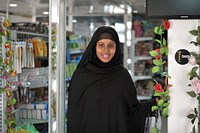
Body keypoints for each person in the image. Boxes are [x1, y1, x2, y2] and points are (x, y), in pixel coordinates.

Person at [67, 26, 157, 133]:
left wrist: (157, 102)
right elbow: (74, 117)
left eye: (110, 45)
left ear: (116, 48)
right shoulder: (81, 76)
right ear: (94, 47)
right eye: (101, 45)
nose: (106, 50)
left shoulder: (122, 76)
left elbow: (133, 112)